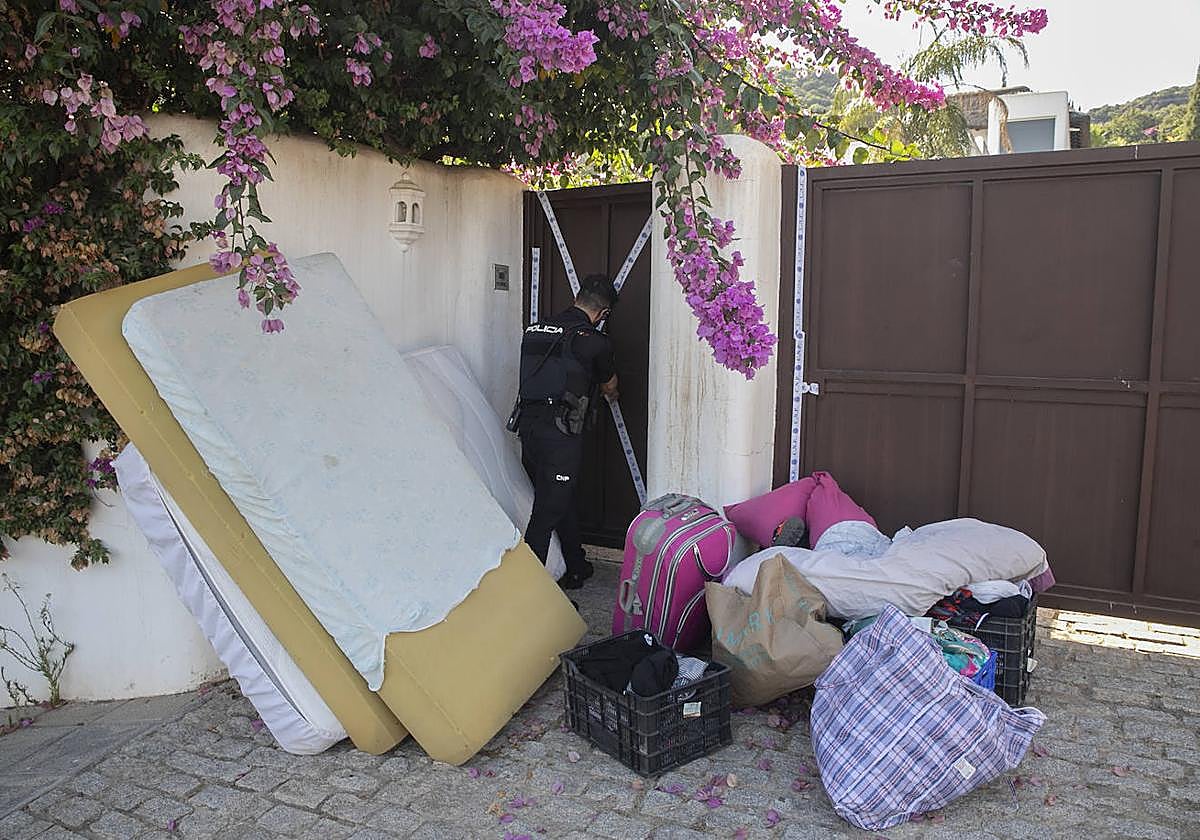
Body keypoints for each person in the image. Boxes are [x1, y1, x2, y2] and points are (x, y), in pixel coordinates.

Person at [516, 274, 620, 590]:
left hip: (528, 427)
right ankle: (530, 595)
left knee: (558, 497)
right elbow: (610, 386)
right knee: (546, 513)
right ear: (604, 314)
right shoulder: (594, 340)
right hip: (560, 434)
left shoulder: (534, 330)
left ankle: (576, 565)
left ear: (578, 296)